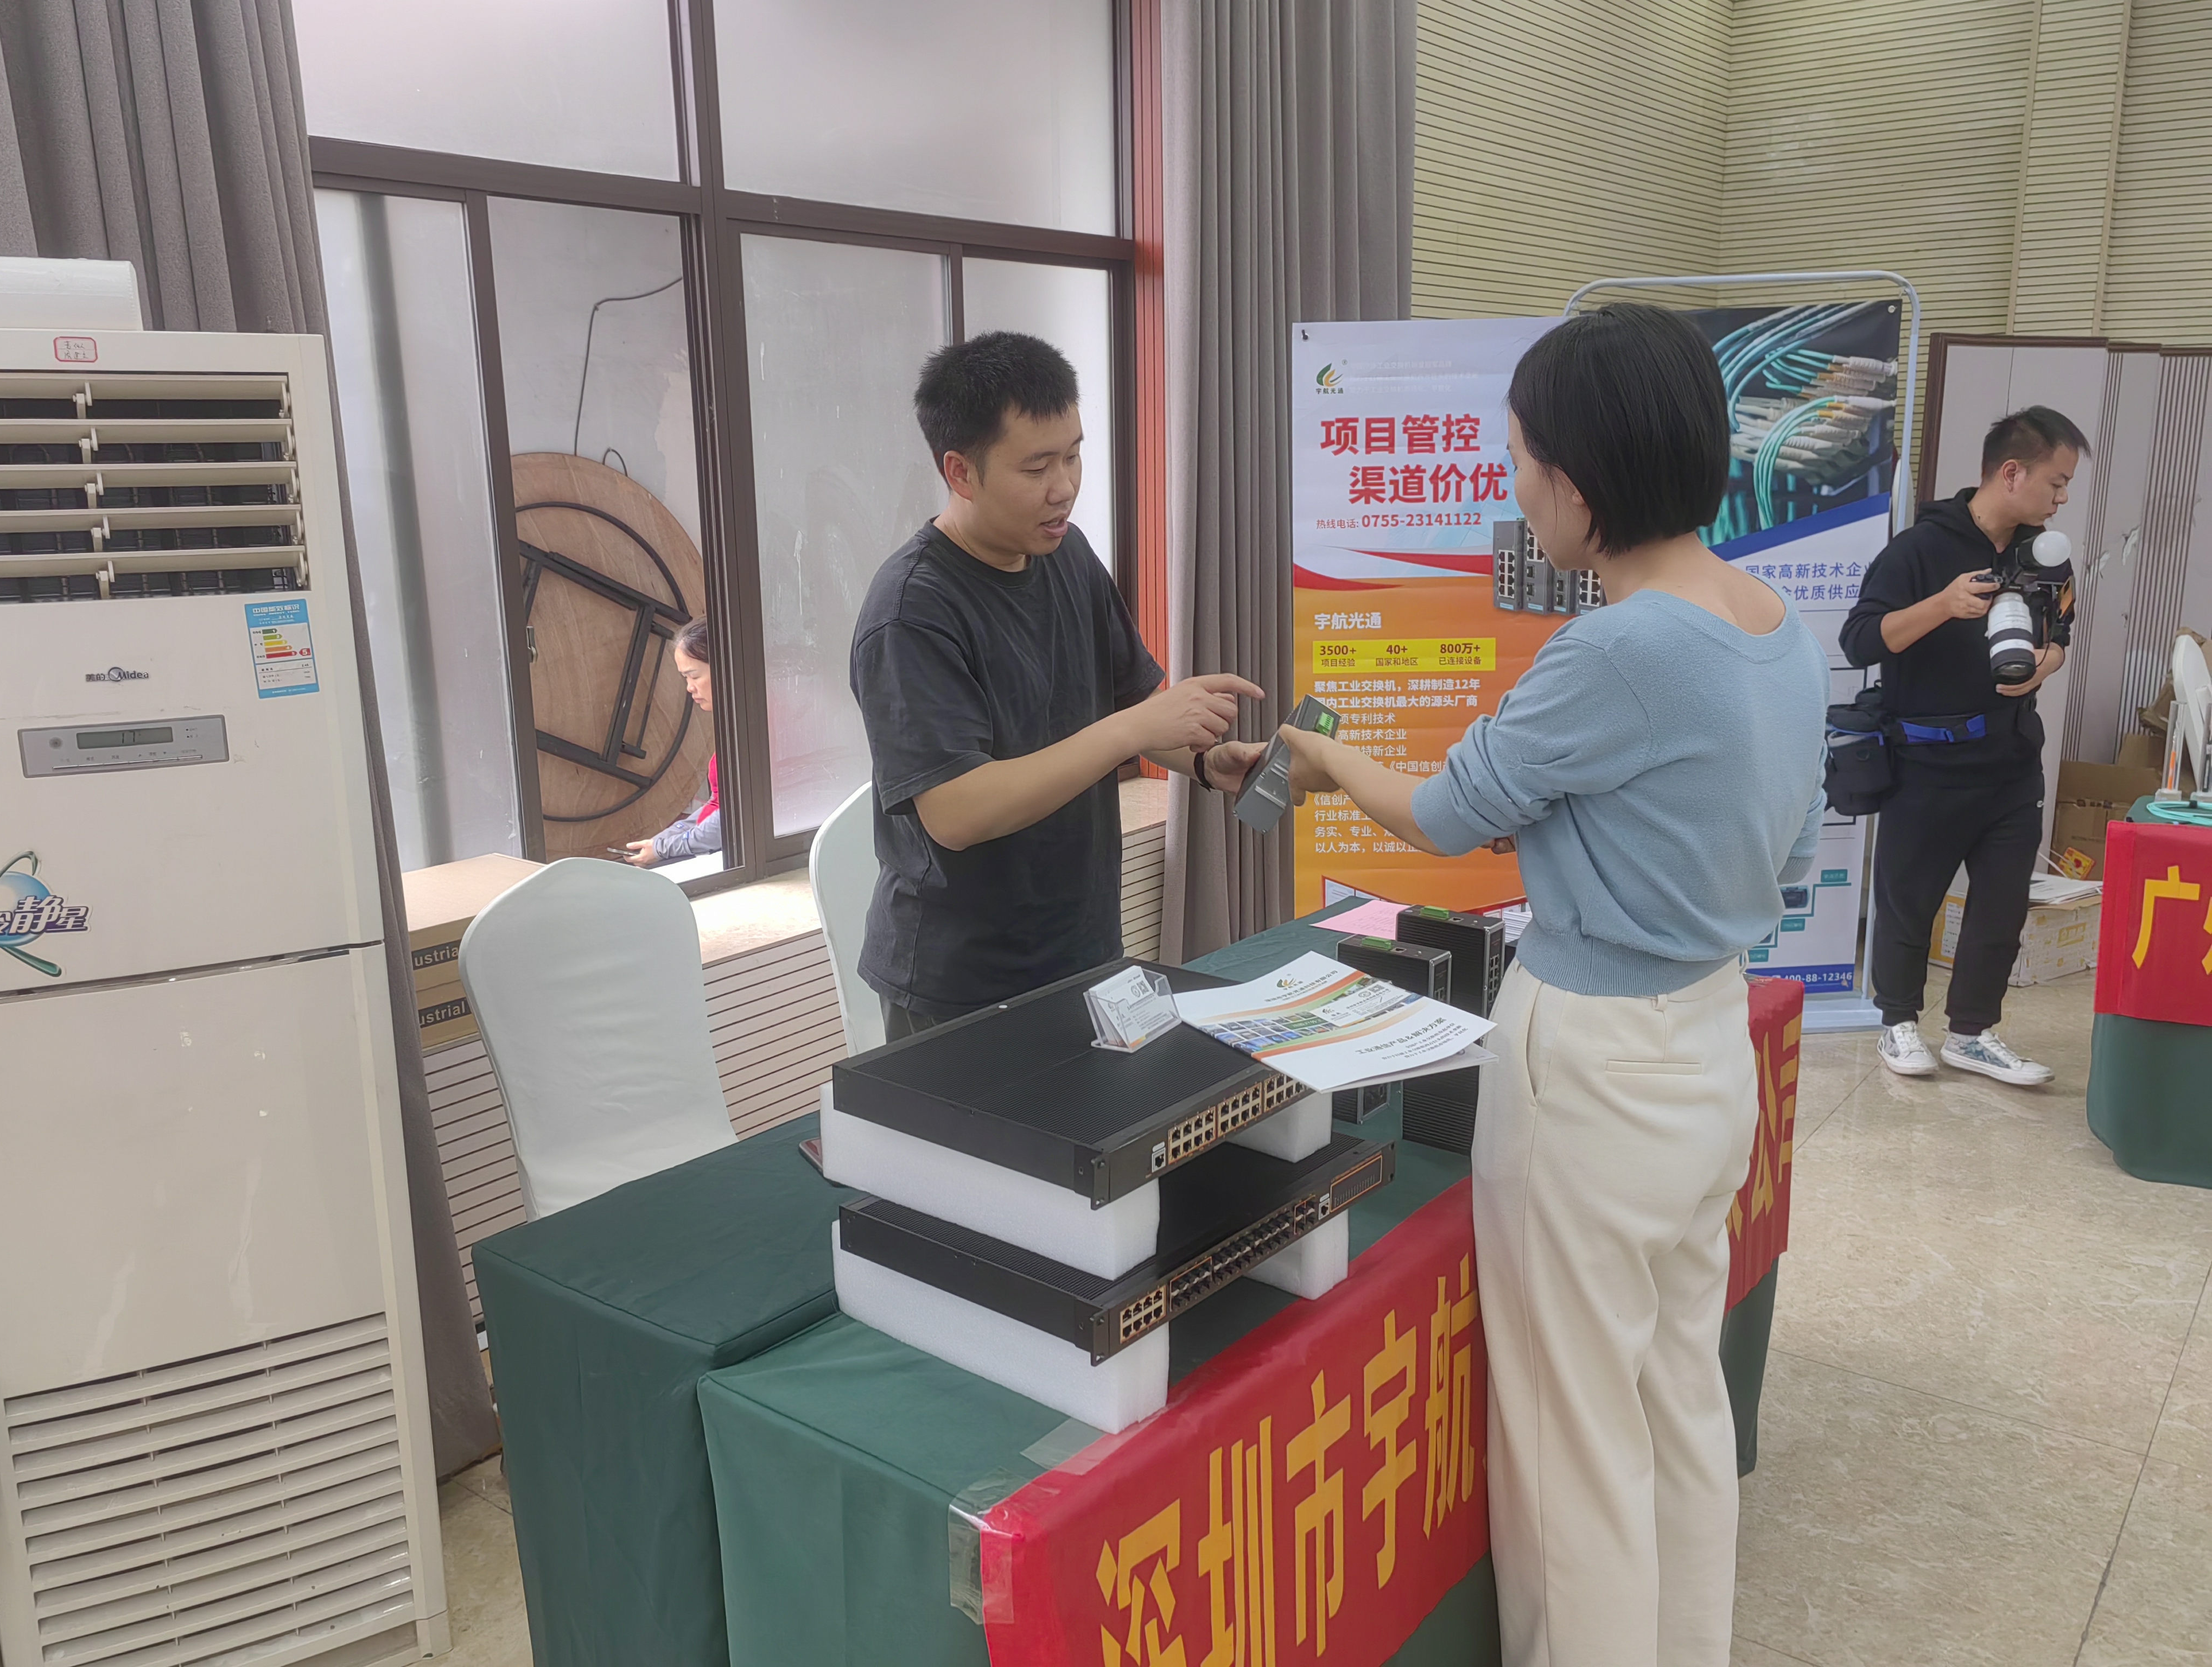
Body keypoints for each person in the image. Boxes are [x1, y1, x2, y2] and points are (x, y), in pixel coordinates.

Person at [1274, 304, 1828, 1667]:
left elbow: (1446, 814)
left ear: (1578, 487)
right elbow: (1789, 857)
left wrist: (1323, 757)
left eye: (1520, 457)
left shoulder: (1618, 649)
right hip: (1706, 1046)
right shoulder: (1773, 626)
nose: (1512, 483)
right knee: (1676, 1393)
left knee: (1571, 1438)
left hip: (1591, 1064)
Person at [850, 331, 1266, 1038]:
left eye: (1073, 455)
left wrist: (1201, 761)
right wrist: (1131, 731)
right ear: (961, 472)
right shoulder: (912, 611)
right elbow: (956, 811)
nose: (1065, 486)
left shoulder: (1066, 551)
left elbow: (1131, 704)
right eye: (1037, 466)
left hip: (1082, 950)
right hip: (963, 985)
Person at [1840, 407, 2084, 1086]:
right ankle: (1897, 1023)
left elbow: (2063, 631)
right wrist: (1942, 605)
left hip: (2010, 764)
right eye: (2056, 482)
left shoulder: (2046, 554)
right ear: (2012, 473)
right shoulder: (1919, 549)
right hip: (1926, 764)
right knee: (1908, 901)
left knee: (2000, 909)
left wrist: (2045, 664)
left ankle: (1972, 1034)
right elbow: (1859, 641)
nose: (2062, 498)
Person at [623, 616, 721, 868]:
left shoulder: (757, 726)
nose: (689, 688)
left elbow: (733, 817)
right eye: (685, 678)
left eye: (694, 676)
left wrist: (663, 848)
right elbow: (720, 806)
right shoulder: (737, 724)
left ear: (725, 667)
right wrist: (662, 841)